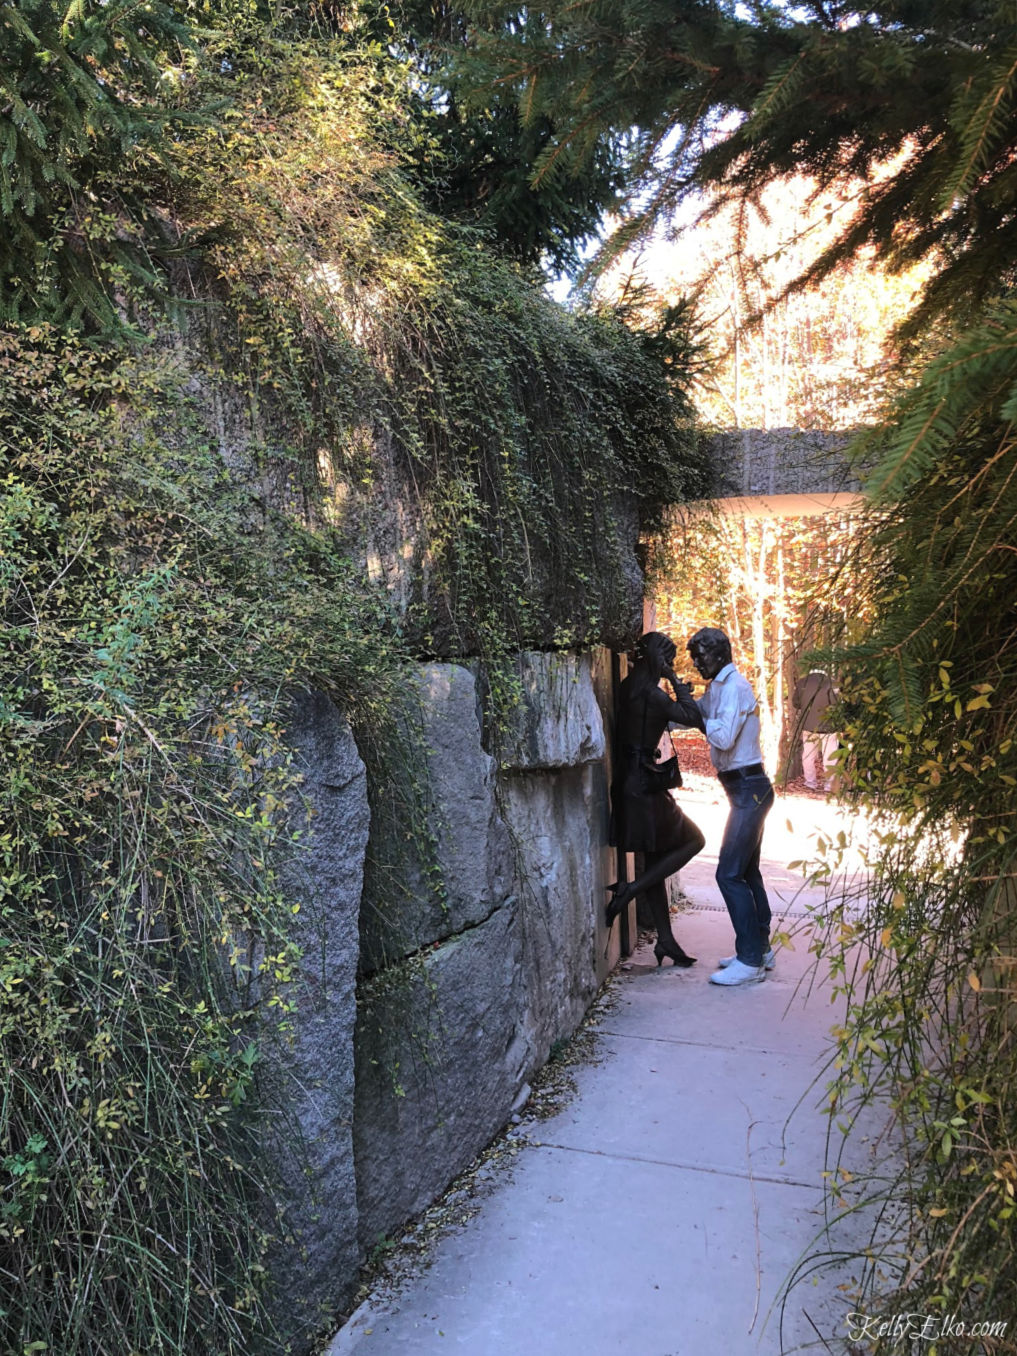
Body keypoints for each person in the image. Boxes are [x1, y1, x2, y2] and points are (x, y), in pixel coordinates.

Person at [607, 631, 706, 967]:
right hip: (646, 785)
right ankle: (629, 891)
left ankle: (665, 941)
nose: (672, 664)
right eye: (668, 658)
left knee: (655, 858)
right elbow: (692, 718)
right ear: (656, 657)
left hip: (630, 780)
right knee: (694, 840)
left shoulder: (627, 687)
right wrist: (674, 679)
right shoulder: (651, 693)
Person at [687, 627, 775, 987]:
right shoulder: (719, 687)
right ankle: (760, 949)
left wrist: (697, 717)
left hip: (749, 790)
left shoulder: (735, 688)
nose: (695, 662)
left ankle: (750, 961)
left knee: (729, 874)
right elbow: (692, 717)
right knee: (747, 872)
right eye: (693, 655)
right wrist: (675, 702)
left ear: (720, 654)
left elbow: (721, 736)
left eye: (700, 655)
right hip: (743, 788)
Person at [792, 669, 839, 791]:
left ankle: (810, 783)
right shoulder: (831, 683)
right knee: (830, 755)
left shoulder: (802, 683)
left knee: (808, 755)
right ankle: (829, 785)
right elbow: (837, 703)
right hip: (829, 726)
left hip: (808, 725)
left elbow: (796, 703)